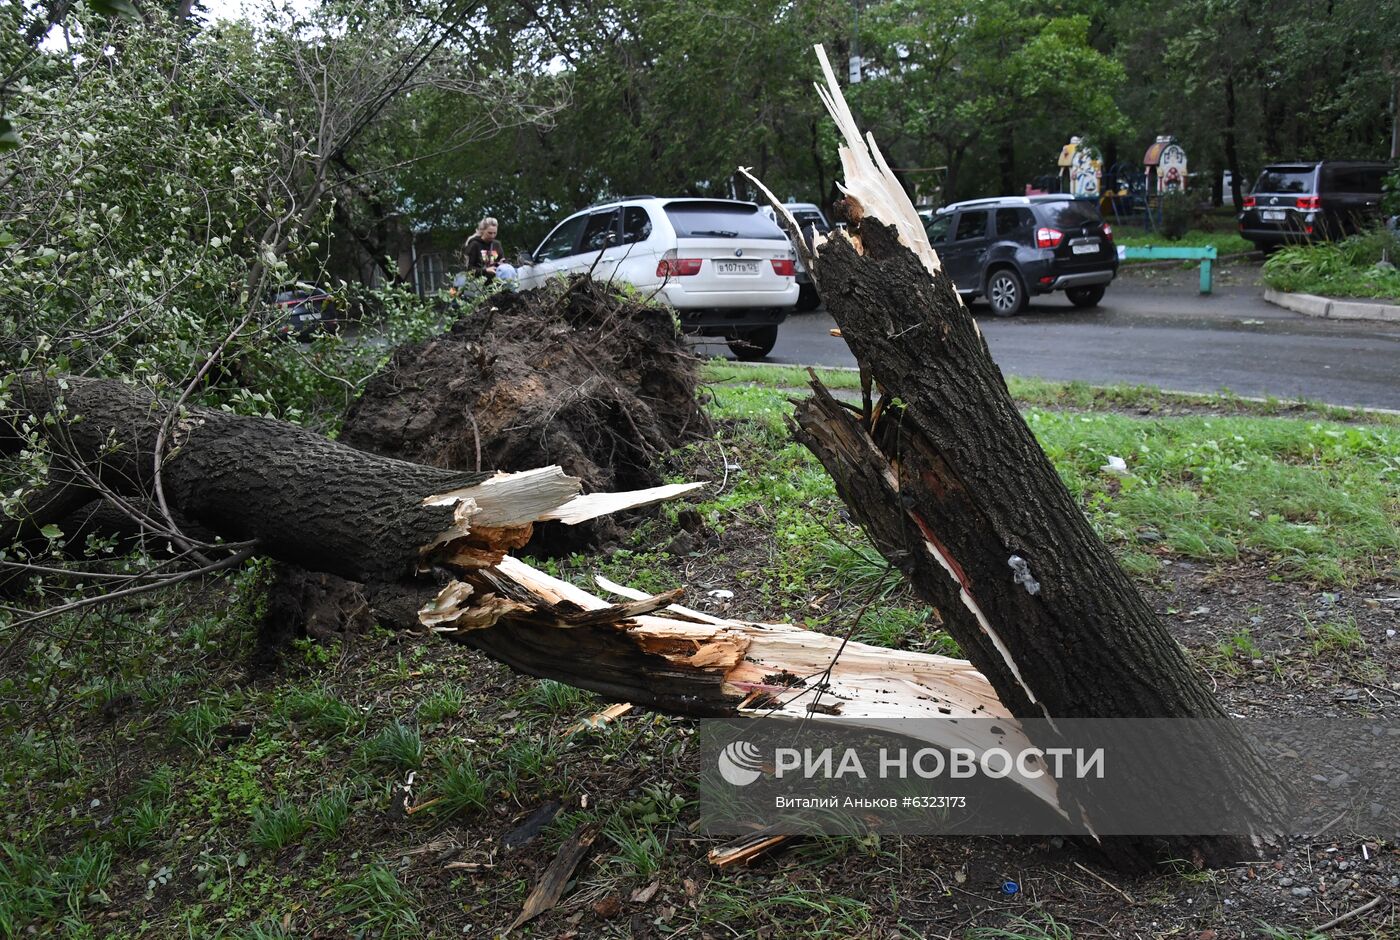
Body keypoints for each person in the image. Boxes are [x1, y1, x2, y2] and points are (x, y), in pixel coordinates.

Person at [463, 217, 504, 283]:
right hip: (478, 284)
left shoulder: (497, 244)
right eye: (489, 233)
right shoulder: (474, 244)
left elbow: (502, 260)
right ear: (482, 230)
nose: (492, 236)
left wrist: (502, 263)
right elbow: (468, 269)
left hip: (495, 283)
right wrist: (485, 271)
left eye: (495, 233)